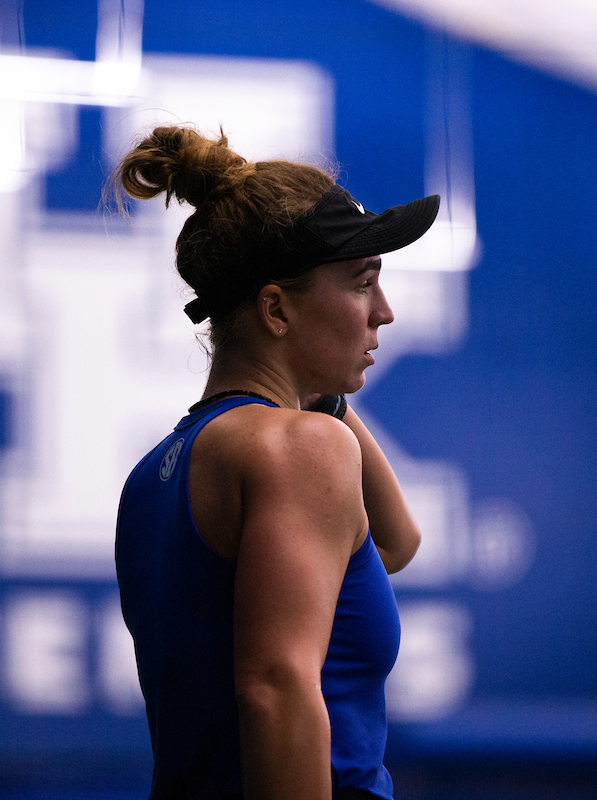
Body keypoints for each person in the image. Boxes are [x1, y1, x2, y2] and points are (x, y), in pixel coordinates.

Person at [114, 125, 439, 800]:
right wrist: (316, 417)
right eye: (361, 283)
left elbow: (396, 544)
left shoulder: (153, 475)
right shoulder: (297, 449)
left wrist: (323, 398)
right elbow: (273, 689)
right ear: (276, 308)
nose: (385, 312)